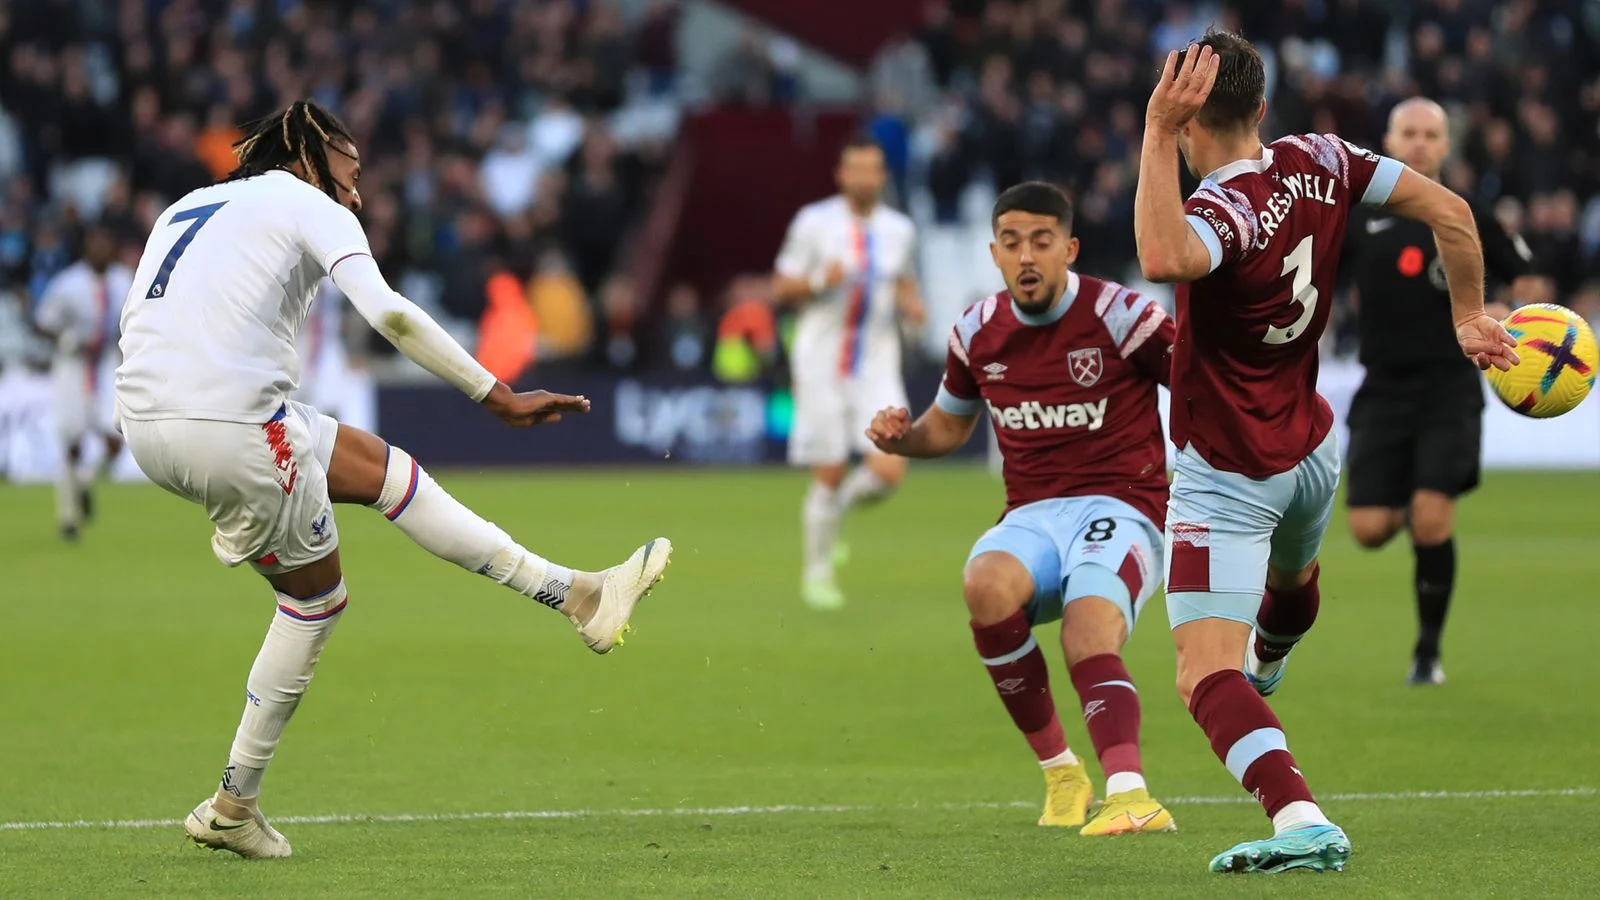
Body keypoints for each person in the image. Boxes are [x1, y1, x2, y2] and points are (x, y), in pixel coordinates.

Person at [113, 100, 672, 860]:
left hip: (148, 419)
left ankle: (579, 596)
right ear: (307, 160)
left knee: (385, 471)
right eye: (347, 173)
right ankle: (234, 805)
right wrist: (497, 395)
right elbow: (392, 315)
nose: (357, 192)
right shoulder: (307, 203)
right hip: (230, 423)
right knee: (314, 601)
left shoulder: (190, 204)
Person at [1132, 34, 1517, 874]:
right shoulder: (1324, 157)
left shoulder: (1222, 211)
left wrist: (1156, 133)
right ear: (1263, 108)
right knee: (1292, 581)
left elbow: (1163, 257)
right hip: (1311, 449)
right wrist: (1467, 316)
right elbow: (1452, 211)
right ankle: (1271, 658)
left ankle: (1299, 818)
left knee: (1203, 676)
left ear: (1189, 118)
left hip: (1228, 472)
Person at [867, 182, 1176, 835]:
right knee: (984, 584)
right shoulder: (977, 331)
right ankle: (1062, 773)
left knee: (1086, 632)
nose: (1026, 256)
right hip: (1033, 515)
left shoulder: (1124, 315)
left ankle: (1130, 794)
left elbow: (1201, 383)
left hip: (1123, 506)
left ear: (1069, 248)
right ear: (994, 253)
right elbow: (947, 427)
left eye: (1041, 241)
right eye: (1011, 243)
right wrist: (903, 439)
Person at [1342, 98, 1541, 686]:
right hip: (1382, 386)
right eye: (1409, 132)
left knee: (1432, 521)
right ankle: (1417, 495)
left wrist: (1507, 310)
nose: (1420, 143)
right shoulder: (1357, 214)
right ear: (1388, 141)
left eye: (1431, 134)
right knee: (1368, 529)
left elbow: (1527, 280)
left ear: (1447, 145)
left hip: (1450, 387)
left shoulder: (1465, 211)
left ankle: (1427, 653)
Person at [771, 136, 926, 610]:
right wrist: (822, 280)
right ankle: (817, 574)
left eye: (871, 169)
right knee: (831, 468)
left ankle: (833, 516)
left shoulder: (899, 229)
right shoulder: (814, 222)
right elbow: (781, 288)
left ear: (882, 176)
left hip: (876, 362)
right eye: (854, 169)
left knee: (889, 470)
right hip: (821, 361)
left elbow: (904, 282)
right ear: (841, 175)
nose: (863, 178)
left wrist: (912, 305)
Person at [33, 224, 133, 539]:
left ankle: (86, 481)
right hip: (73, 366)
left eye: (106, 244)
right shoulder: (68, 283)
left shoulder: (123, 280)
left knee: (116, 435)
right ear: (86, 247)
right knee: (71, 439)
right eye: (95, 244)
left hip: (107, 364)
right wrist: (66, 339)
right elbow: (42, 323)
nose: (101, 250)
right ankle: (68, 517)